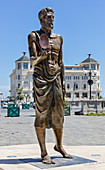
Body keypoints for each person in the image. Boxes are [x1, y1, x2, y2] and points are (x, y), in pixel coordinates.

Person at [28, 7, 72, 164]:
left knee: (59, 114)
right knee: (41, 114)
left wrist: (64, 81)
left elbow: (61, 62)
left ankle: (59, 146)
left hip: (56, 79)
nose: (51, 20)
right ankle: (43, 152)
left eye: (52, 17)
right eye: (48, 17)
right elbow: (32, 60)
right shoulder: (34, 36)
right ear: (41, 20)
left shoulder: (59, 38)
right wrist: (41, 57)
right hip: (41, 79)